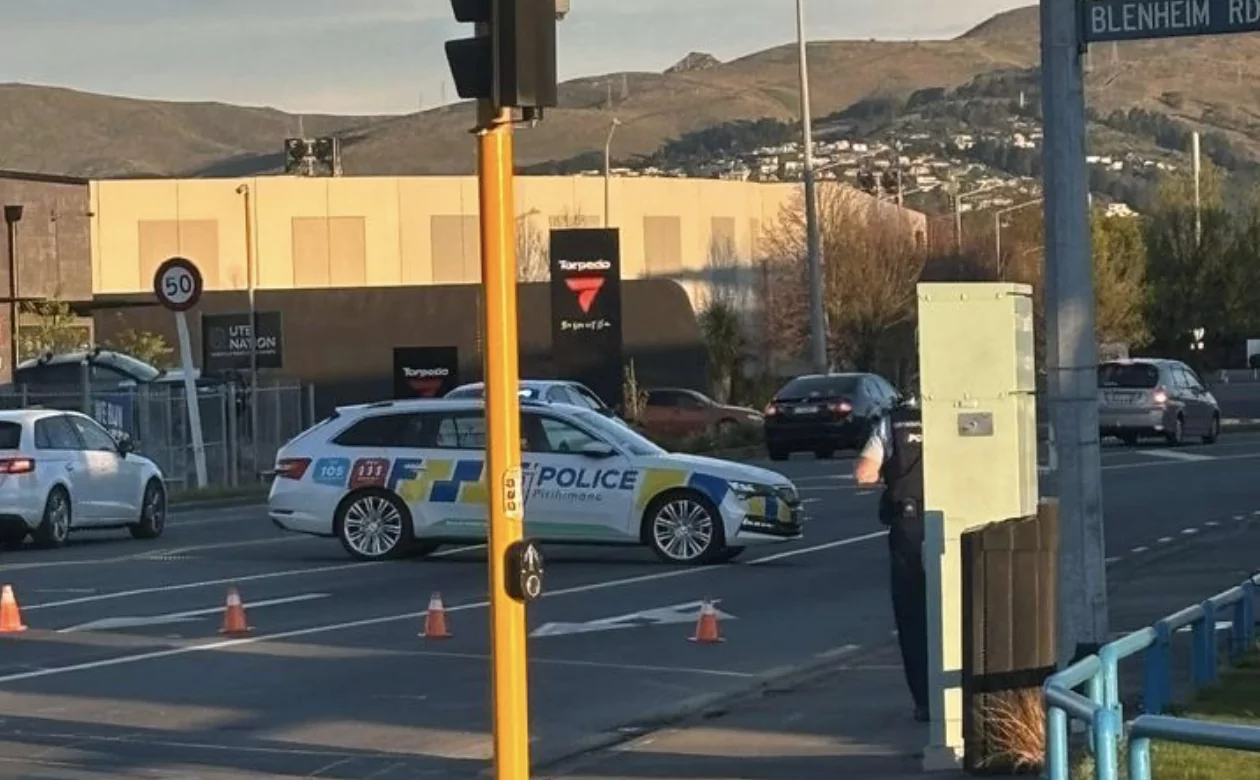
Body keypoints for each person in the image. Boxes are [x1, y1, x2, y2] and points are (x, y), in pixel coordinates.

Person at [854, 394, 929, 723]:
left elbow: (863, 473)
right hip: (959, 521)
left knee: (913, 616)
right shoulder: (960, 410)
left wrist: (892, 475)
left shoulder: (895, 421)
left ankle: (925, 701)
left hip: (909, 525)